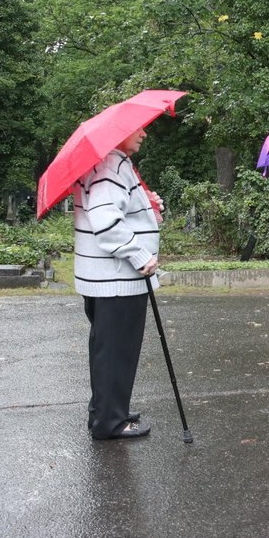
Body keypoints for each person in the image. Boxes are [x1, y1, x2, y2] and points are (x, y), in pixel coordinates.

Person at [74, 126, 163, 440]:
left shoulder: (107, 163)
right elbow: (107, 221)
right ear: (119, 131)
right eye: (138, 129)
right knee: (116, 351)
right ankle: (111, 422)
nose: (144, 134)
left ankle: (107, 410)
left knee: (106, 349)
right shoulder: (112, 165)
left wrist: (149, 208)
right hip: (117, 276)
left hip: (105, 277)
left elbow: (120, 211)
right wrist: (140, 255)